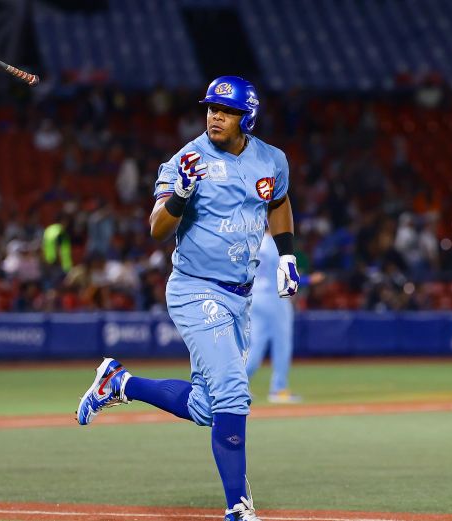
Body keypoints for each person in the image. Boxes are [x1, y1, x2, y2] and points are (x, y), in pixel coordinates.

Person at [76, 76, 299, 521]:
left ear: (246, 117)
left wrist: (288, 255)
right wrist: (179, 193)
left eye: (225, 110)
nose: (214, 116)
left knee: (205, 406)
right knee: (234, 395)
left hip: (240, 296)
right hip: (196, 288)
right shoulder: (188, 158)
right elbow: (157, 227)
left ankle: (119, 383)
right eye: (211, 108)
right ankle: (238, 505)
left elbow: (278, 200)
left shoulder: (271, 160)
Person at [244, 232, 301, 404]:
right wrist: (306, 280)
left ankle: (238, 386)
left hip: (255, 296)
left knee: (256, 345)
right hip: (275, 296)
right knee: (282, 344)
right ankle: (279, 389)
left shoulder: (254, 241)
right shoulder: (278, 242)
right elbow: (288, 273)